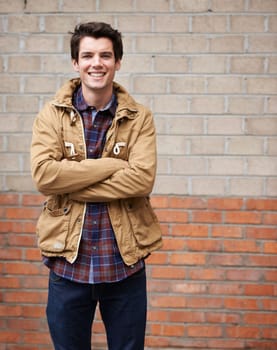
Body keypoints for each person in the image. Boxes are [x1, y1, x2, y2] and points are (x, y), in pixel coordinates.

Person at [30, 21, 163, 350]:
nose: (97, 63)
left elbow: (142, 179)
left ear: (118, 61)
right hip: (68, 265)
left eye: (106, 55)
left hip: (124, 265)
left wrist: (71, 180)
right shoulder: (52, 115)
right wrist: (112, 166)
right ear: (76, 62)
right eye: (87, 55)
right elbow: (45, 177)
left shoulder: (139, 117)